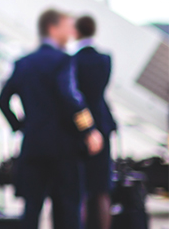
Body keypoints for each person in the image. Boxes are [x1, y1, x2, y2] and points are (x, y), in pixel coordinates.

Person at [0, 9, 104, 229]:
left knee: (31, 209)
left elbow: (2, 100)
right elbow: (71, 97)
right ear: (52, 28)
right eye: (67, 26)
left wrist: (20, 126)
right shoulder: (63, 60)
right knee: (68, 209)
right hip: (64, 148)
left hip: (33, 146)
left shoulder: (23, 62)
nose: (71, 31)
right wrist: (88, 130)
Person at [73, 15, 116, 229]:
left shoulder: (72, 61)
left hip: (80, 126)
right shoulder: (105, 59)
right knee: (102, 188)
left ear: (76, 32)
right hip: (103, 122)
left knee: (80, 187)